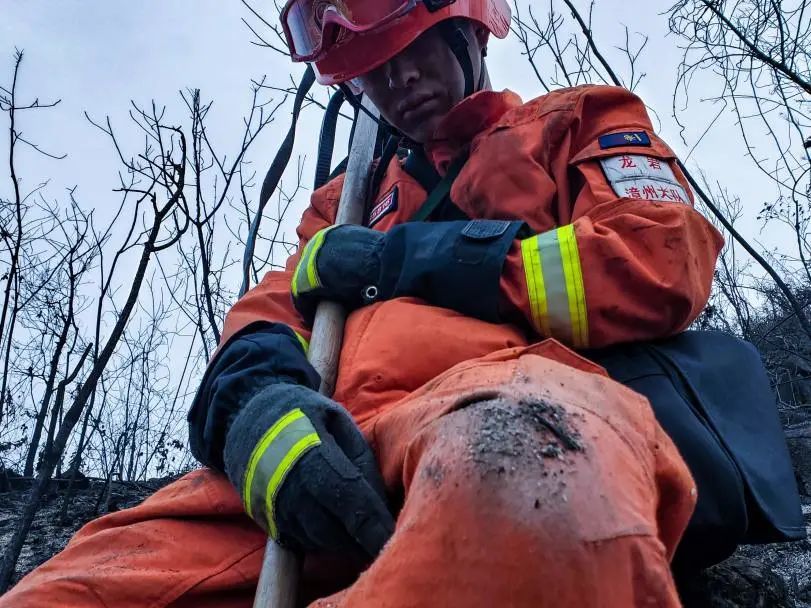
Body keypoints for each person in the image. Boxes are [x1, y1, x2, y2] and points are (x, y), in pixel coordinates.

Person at [3, 1, 803, 606]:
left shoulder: (573, 123)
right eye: (373, 70)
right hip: (327, 447)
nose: (397, 82)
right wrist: (254, 409)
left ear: (465, 30)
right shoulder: (342, 207)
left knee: (535, 497)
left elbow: (657, 261)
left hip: (512, 392)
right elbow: (265, 317)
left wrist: (408, 258)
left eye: (409, 51)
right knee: (71, 588)